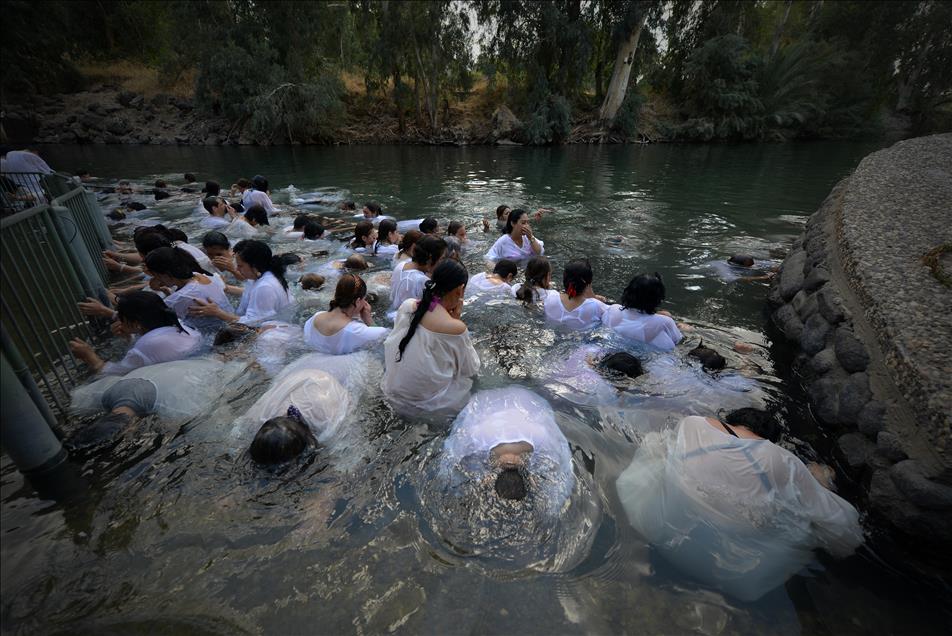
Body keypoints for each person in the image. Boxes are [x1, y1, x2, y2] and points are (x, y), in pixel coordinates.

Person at [616, 409, 864, 602]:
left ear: (732, 420)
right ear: (771, 439)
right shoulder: (783, 461)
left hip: (665, 527)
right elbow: (845, 531)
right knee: (807, 514)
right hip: (731, 568)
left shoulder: (692, 424)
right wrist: (820, 483)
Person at [438, 386, 574, 512]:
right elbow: (448, 459)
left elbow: (565, 466)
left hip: (528, 399)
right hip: (488, 399)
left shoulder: (541, 437)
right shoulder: (478, 436)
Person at [383, 259, 480, 416]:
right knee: (470, 384)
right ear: (460, 290)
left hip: (391, 391)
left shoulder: (408, 305)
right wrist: (456, 320)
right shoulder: (455, 328)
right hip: (426, 406)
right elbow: (471, 368)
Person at [69, 291, 201, 376]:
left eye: (121, 317)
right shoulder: (178, 323)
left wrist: (89, 356)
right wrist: (129, 339)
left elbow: (113, 373)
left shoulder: (146, 345)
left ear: (136, 323)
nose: (119, 320)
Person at [189, 240, 292, 325]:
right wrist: (226, 288)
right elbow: (250, 292)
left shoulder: (265, 287)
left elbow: (254, 322)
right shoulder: (266, 274)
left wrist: (217, 313)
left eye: (240, 266)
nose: (237, 269)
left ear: (254, 265)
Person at [304, 274, 390, 355]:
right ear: (357, 301)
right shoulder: (358, 331)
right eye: (364, 299)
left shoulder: (313, 318)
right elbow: (388, 340)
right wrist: (368, 319)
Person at [603, 273, 683, 351]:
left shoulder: (613, 309)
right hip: (654, 356)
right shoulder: (664, 322)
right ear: (658, 299)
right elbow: (678, 341)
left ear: (628, 292)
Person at [543, 259, 608, 330]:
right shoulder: (597, 307)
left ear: (564, 279)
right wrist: (593, 297)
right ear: (589, 283)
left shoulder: (549, 296)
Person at [390, 236, 446, 313]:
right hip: (407, 318)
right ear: (431, 258)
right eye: (442, 258)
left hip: (393, 312)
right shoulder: (422, 281)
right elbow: (432, 310)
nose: (443, 263)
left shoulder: (401, 265)